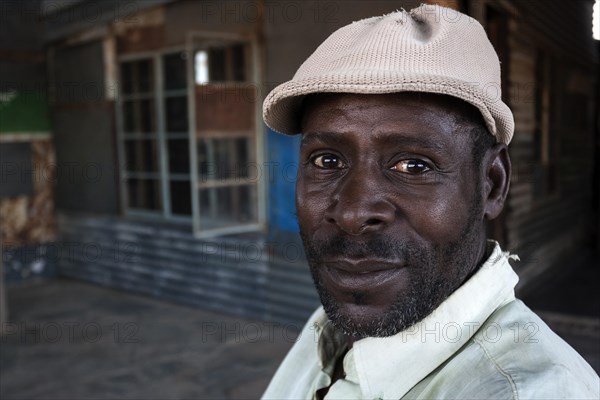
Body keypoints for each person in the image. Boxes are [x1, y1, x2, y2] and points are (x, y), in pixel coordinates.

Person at [260, 4, 600, 400]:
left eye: (413, 165)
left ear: (492, 183)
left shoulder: (532, 392)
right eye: (327, 161)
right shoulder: (328, 329)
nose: (352, 213)